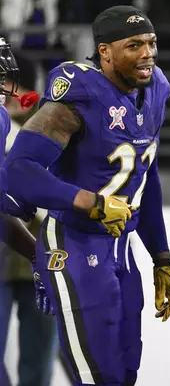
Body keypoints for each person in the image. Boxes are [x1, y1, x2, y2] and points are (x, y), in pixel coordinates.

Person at [2, 6, 170, 386]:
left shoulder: (157, 89)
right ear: (105, 52)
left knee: (125, 371)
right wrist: (91, 201)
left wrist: (161, 256)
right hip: (75, 243)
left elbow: (145, 176)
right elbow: (18, 172)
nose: (148, 53)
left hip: (121, 249)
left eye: (151, 43)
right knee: (99, 376)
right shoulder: (80, 94)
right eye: (134, 45)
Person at [0, 46, 58, 386]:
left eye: (12, 84)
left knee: (39, 364)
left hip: (45, 254)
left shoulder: (55, 132)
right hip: (6, 255)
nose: (8, 93)